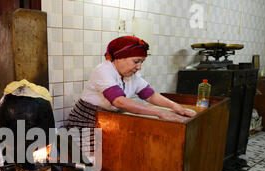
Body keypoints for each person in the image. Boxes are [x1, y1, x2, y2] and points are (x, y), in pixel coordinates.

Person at [67, 36, 195, 157]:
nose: (139, 67)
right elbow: (120, 102)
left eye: (141, 62)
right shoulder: (103, 70)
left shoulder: (131, 76)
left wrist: (175, 106)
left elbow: (150, 95)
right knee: (99, 160)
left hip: (109, 121)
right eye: (136, 61)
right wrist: (161, 113)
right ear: (119, 57)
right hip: (86, 123)